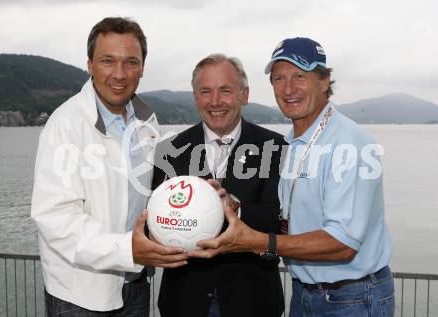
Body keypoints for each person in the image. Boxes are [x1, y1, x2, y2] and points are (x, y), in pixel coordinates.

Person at [190, 38, 395, 317]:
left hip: (353, 297)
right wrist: (234, 207)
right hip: (305, 293)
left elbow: (343, 243)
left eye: (300, 76)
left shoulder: (349, 142)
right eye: (279, 79)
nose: (288, 89)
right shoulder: (291, 143)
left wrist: (257, 241)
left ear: (324, 81)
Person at [31, 17, 188, 316]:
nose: (119, 74)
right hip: (81, 296)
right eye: (107, 61)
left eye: (131, 62)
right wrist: (128, 250)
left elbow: (144, 194)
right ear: (90, 64)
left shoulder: (147, 122)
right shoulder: (64, 125)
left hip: (136, 283)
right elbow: (55, 219)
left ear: (143, 67)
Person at [152, 54, 285, 317]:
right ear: (195, 97)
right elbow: (153, 220)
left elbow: (281, 219)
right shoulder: (169, 151)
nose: (215, 101)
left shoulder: (278, 148)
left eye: (225, 90)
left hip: (253, 302)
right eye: (205, 91)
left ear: (244, 95)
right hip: (184, 302)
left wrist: (235, 208)